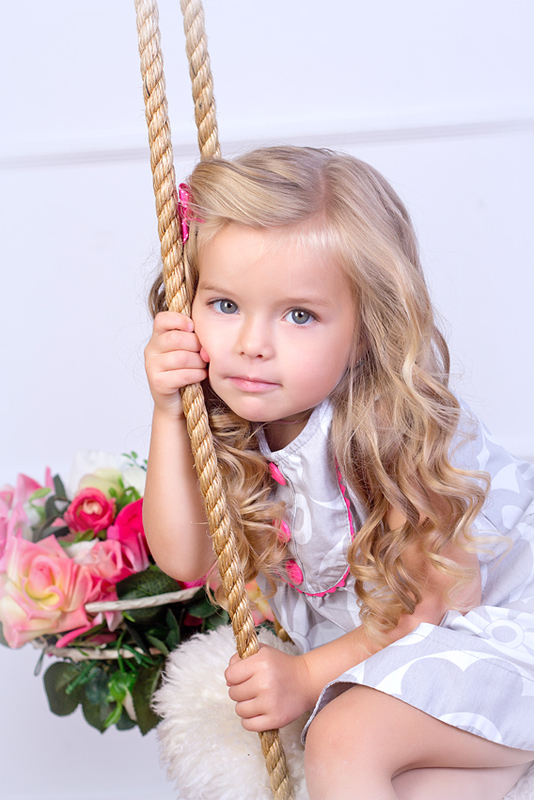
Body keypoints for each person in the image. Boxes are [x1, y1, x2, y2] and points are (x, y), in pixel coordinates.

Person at [143, 146, 534, 800]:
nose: (251, 344)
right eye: (225, 304)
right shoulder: (231, 420)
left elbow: (426, 608)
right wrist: (166, 412)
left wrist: (305, 678)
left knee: (341, 738)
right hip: (434, 679)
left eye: (299, 315)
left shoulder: (392, 427)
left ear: (366, 331)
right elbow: (184, 558)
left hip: (501, 634)